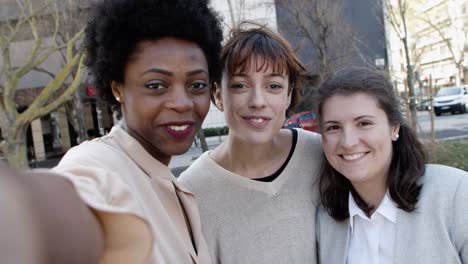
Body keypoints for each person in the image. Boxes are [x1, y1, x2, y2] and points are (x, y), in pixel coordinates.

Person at [1, 0, 223, 263]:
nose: (182, 102)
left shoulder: (177, 188)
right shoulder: (99, 165)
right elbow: (61, 208)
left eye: (197, 84)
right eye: (156, 85)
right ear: (118, 89)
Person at [178, 22, 321, 264]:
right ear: (217, 94)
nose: (257, 101)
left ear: (288, 95)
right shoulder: (191, 193)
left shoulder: (319, 154)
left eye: (273, 86)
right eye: (240, 85)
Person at [315, 66, 468, 263]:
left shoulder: (455, 195)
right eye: (333, 127)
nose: (348, 142)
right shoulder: (326, 221)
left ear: (394, 127)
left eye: (364, 123)